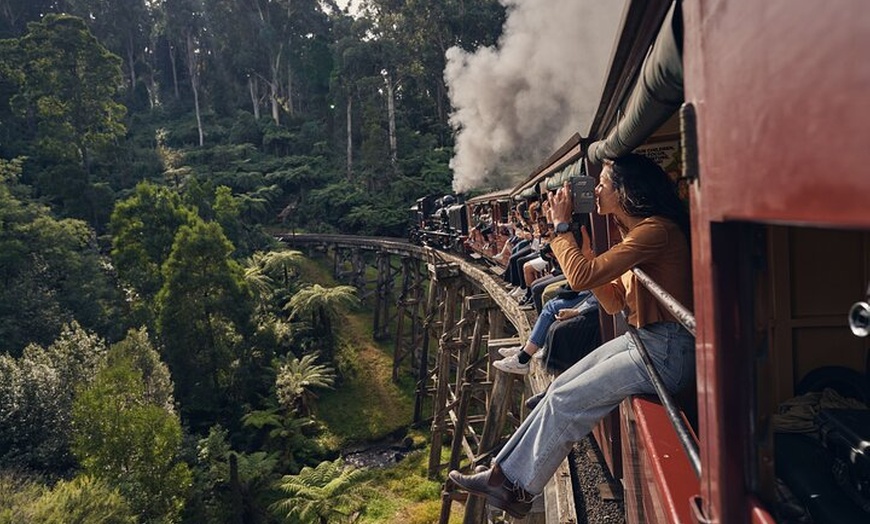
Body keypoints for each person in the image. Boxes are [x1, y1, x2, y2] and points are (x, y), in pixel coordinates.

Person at [448, 153, 694, 518]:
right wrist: (587, 255)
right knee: (558, 389)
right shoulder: (638, 233)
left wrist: (562, 229)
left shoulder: (655, 231)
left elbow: (579, 278)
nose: (594, 191)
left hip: (667, 350)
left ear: (625, 191)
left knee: (565, 400)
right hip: (650, 342)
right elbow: (612, 302)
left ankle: (516, 487)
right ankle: (501, 475)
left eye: (602, 185)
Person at [493, 290, 598, 375]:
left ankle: (524, 357)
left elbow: (580, 282)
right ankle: (527, 349)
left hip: (592, 295)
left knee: (552, 307)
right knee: (544, 294)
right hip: (588, 291)